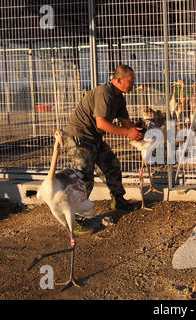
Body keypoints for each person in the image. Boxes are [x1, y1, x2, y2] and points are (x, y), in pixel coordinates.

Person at [63, 65, 144, 234]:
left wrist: (135, 131)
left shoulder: (120, 98)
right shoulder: (104, 93)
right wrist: (128, 132)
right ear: (119, 80)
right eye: (131, 80)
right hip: (79, 137)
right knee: (83, 176)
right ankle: (73, 218)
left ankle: (118, 200)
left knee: (111, 164)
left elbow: (125, 123)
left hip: (94, 138)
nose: (133, 84)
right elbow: (101, 123)